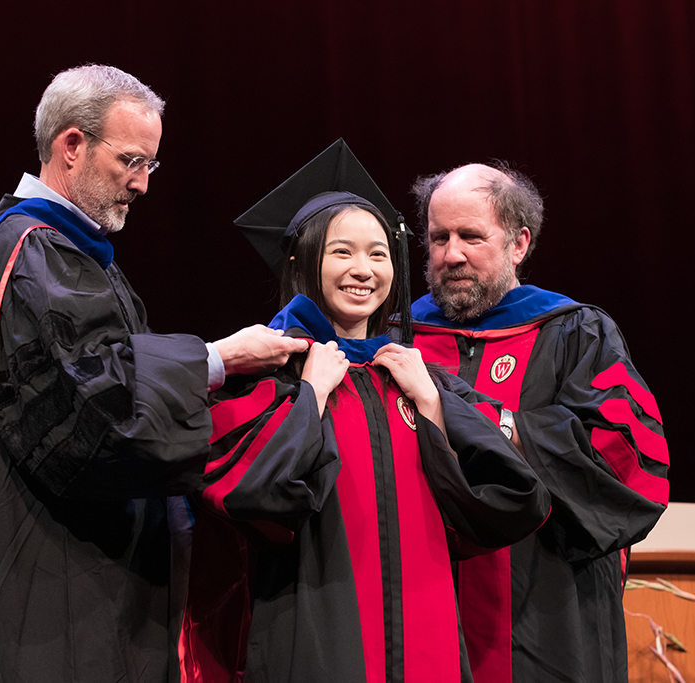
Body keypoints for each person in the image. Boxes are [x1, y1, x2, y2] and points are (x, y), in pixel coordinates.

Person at [0, 64, 307, 683]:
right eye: (131, 161)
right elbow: (95, 418)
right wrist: (217, 359)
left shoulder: (45, 251)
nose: (142, 185)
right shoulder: (36, 255)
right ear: (71, 145)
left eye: (150, 166)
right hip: (44, 601)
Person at [178, 141, 550, 683]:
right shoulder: (268, 374)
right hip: (313, 632)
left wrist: (431, 405)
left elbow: (513, 496)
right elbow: (249, 497)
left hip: (429, 635)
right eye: (342, 252)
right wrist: (310, 398)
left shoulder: (415, 377)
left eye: (379, 254)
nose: (364, 270)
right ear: (303, 260)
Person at [406, 162, 669, 683]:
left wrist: (494, 427)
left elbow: (623, 456)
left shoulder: (575, 332)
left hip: (547, 613)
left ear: (518, 243)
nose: (451, 254)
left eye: (471, 236)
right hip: (422, 597)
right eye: (439, 237)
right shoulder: (398, 342)